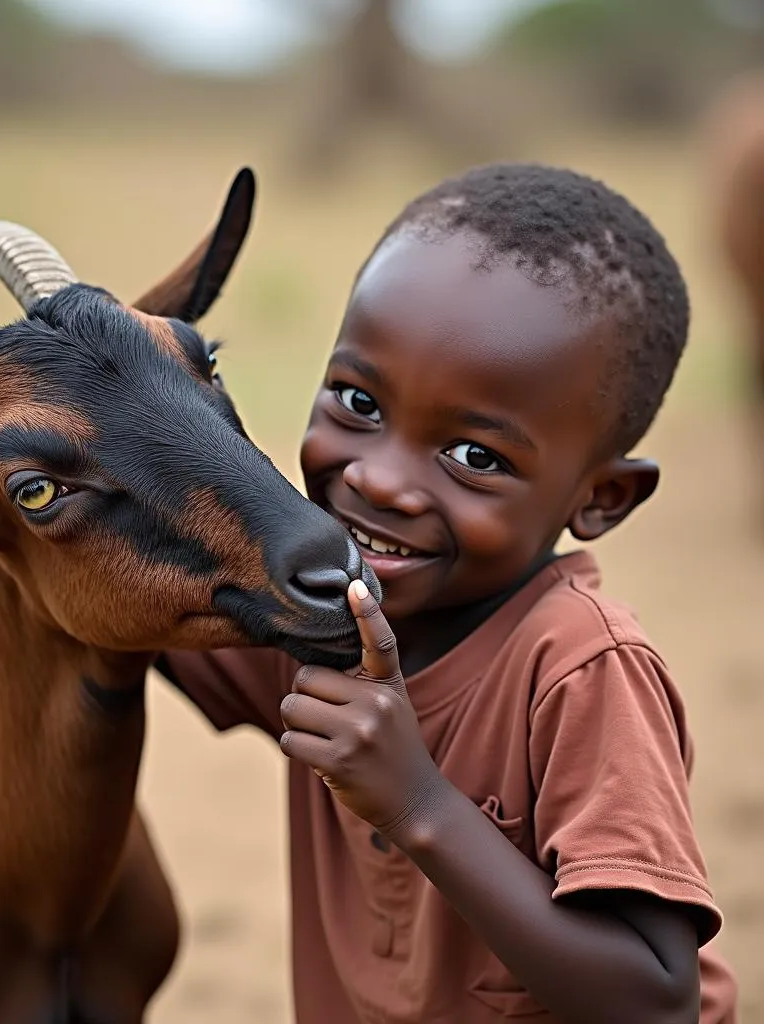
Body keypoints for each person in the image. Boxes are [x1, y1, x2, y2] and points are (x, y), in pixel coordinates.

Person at [156, 163, 739, 1023]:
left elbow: (657, 1001)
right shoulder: (322, 612)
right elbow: (118, 599)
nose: (381, 480)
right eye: (357, 401)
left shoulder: (581, 670)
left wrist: (417, 800)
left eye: (475, 457)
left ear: (600, 497)